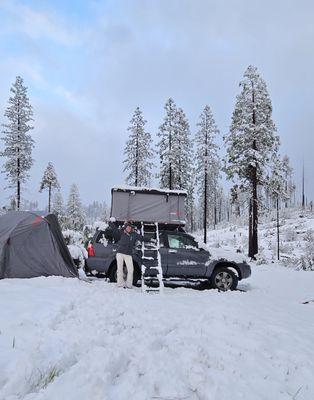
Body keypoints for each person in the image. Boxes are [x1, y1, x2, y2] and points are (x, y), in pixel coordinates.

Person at [109, 221, 143, 288]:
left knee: (131, 269)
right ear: (125, 227)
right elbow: (115, 229)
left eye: (130, 227)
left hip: (128, 254)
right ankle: (120, 283)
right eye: (127, 227)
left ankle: (129, 284)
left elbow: (142, 238)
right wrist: (111, 223)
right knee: (119, 269)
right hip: (120, 254)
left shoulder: (134, 235)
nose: (129, 228)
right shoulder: (121, 233)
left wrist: (151, 239)